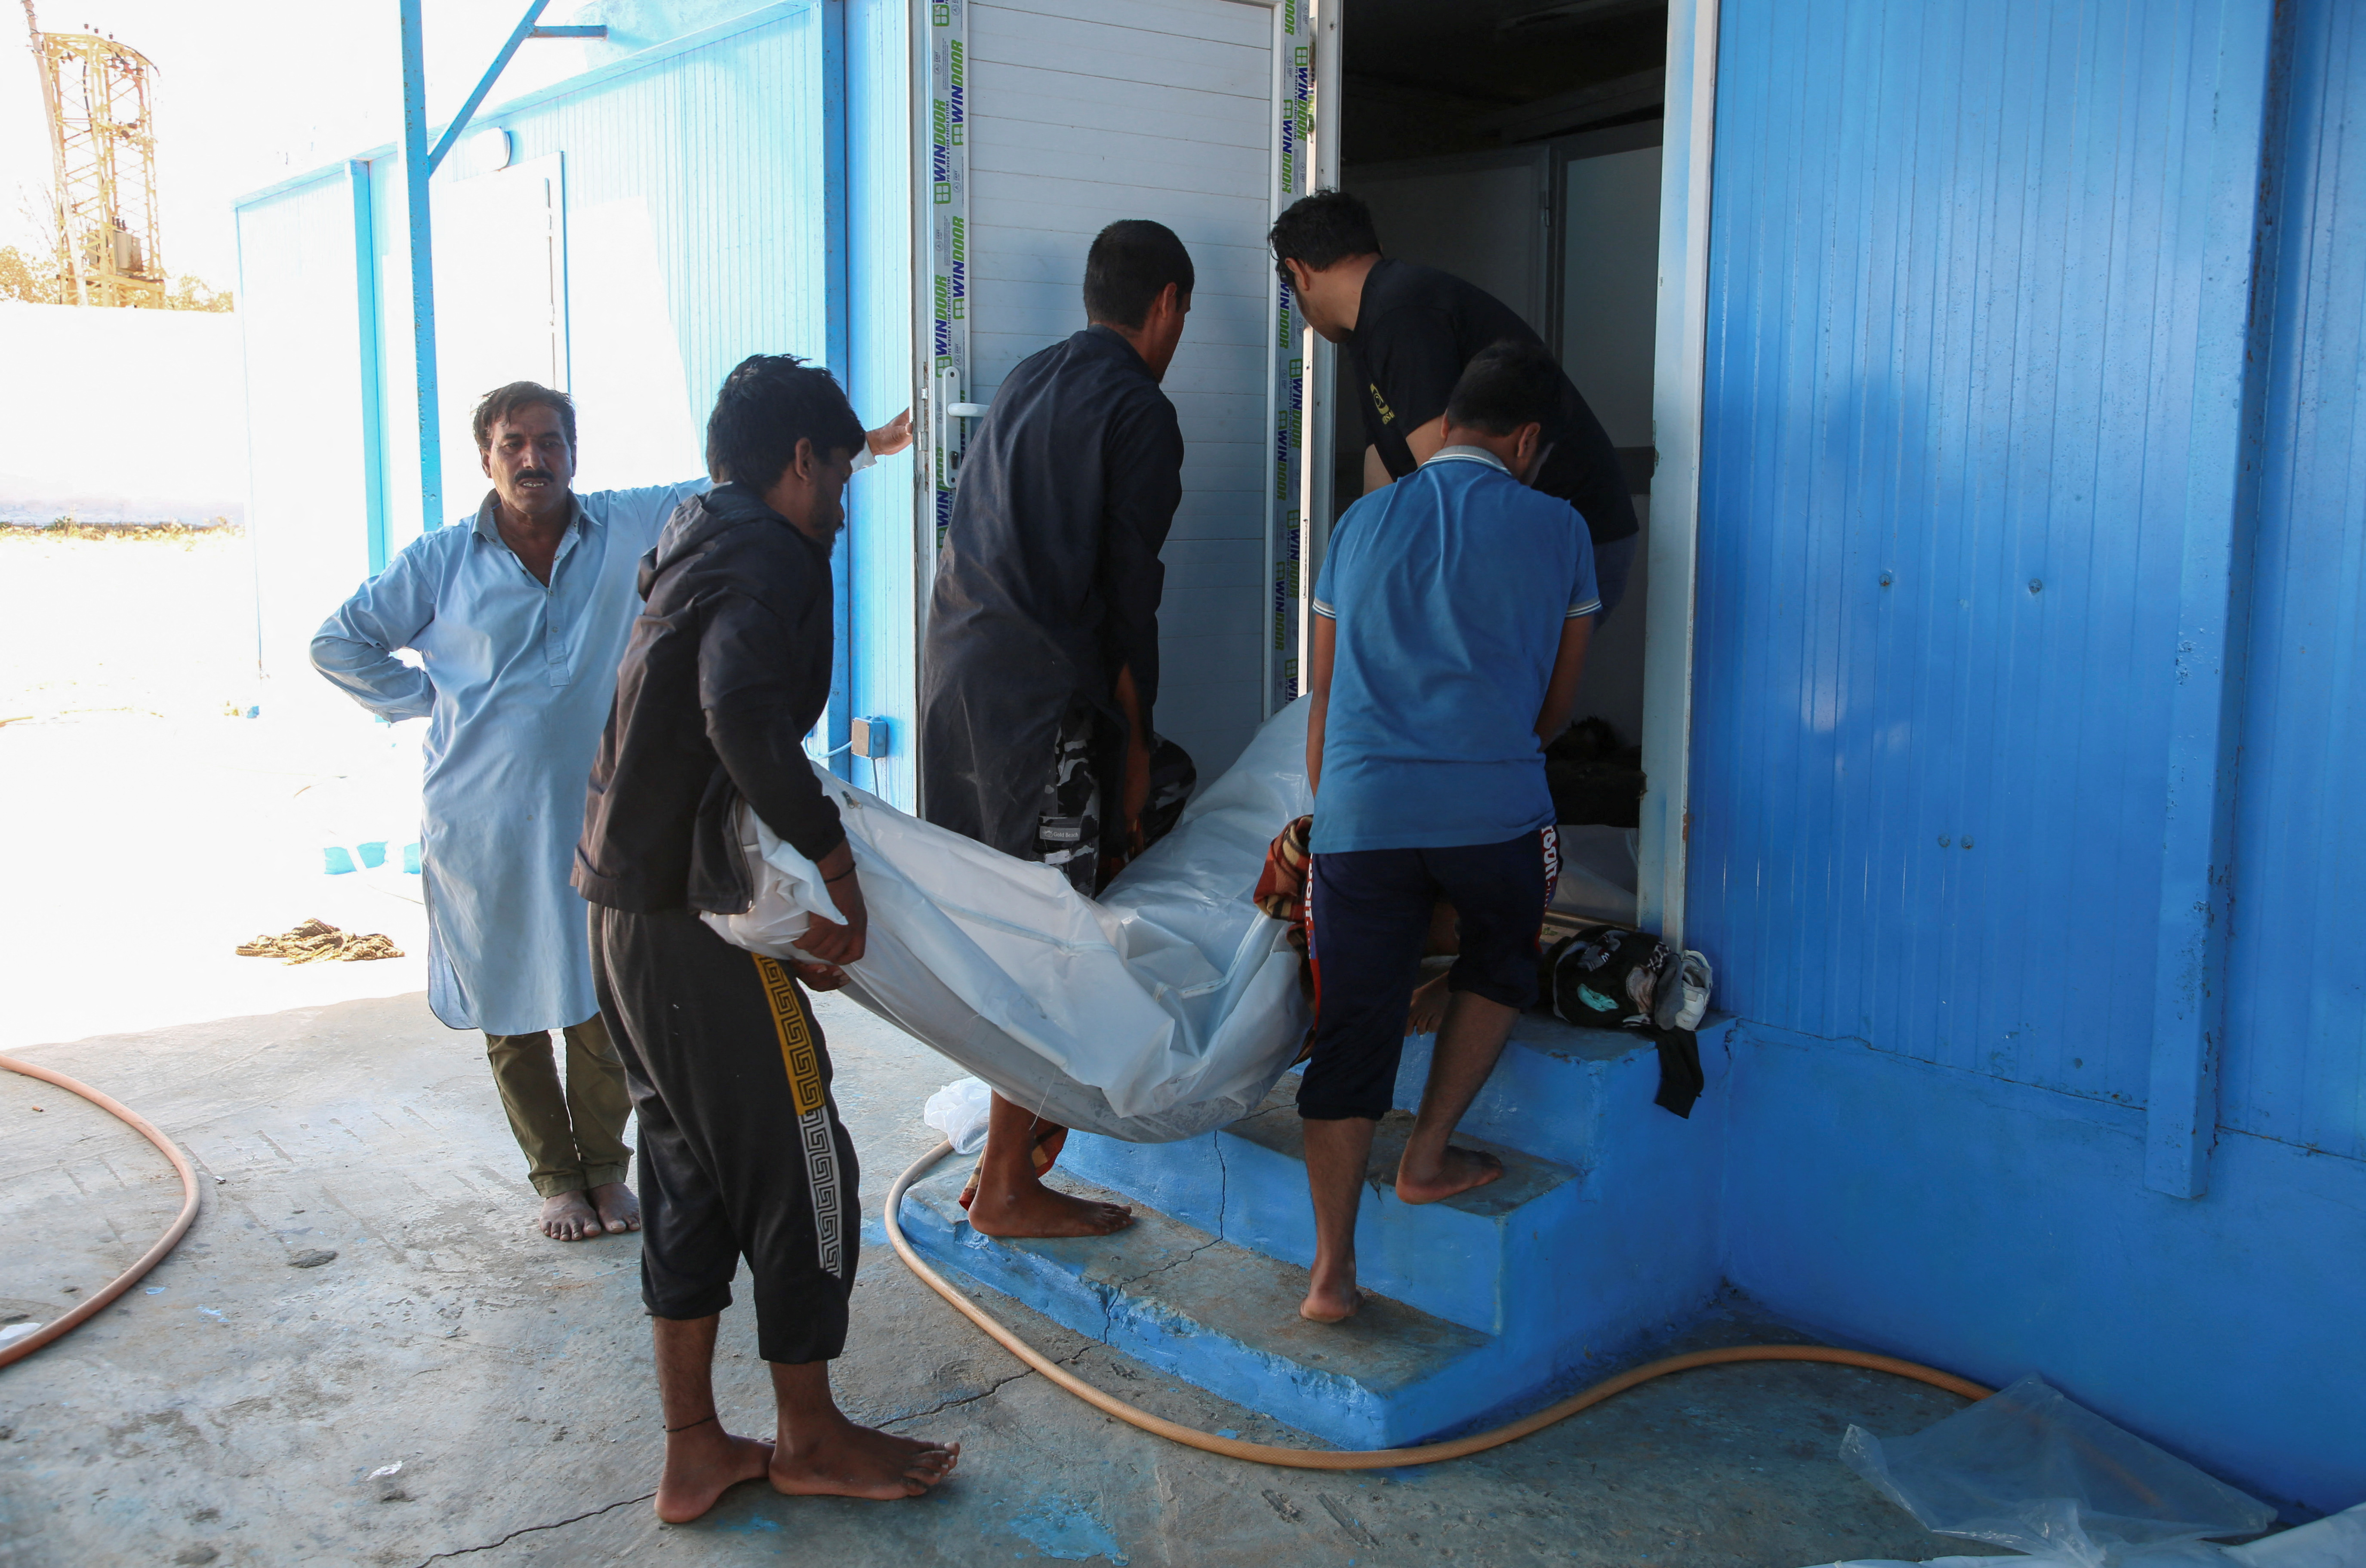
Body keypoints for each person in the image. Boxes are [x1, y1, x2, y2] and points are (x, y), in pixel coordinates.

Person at [312, 382, 908, 1244]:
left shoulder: (625, 524)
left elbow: (738, 485)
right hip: (481, 815)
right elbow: (338, 641)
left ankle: (603, 1168)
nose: (533, 458)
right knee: (508, 996)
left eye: (550, 441)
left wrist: (862, 447)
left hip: (592, 817)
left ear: (573, 453)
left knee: (594, 991)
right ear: (486, 457)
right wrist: (431, 699)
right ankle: (556, 1177)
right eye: (514, 443)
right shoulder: (439, 561)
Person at [574, 354, 959, 1522]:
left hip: (622, 910)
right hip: (691, 927)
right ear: (803, 461)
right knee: (807, 1154)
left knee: (687, 1164)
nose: (842, 501)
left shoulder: (692, 537)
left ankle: (696, 1445)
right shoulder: (765, 553)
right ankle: (809, 1432)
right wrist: (833, 869)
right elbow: (739, 712)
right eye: (840, 471)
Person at [1296, 340, 1598, 1325]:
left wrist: (1334, 820)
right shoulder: (1559, 529)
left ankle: (1329, 1275)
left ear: (1443, 425)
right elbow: (1550, 713)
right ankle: (1425, 1156)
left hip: (1360, 812)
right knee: (1509, 943)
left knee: (1348, 1025)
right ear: (1523, 440)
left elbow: (1323, 702)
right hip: (1491, 818)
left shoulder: (1358, 521)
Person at [917, 219, 1200, 1239]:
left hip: (960, 683)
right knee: (1048, 933)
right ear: (1166, 304)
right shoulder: (1137, 410)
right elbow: (1128, 609)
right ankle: (1006, 1179)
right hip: (1040, 703)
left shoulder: (1029, 378)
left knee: (1014, 918)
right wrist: (1129, 760)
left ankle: (1018, 1143)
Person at [1268, 187, 1639, 618]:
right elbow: (1384, 465)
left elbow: (1447, 479)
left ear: (1298, 272)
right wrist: (1363, 564)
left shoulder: (1401, 312)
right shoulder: (1373, 322)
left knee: (1497, 680)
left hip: (1566, 536)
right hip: (1518, 537)